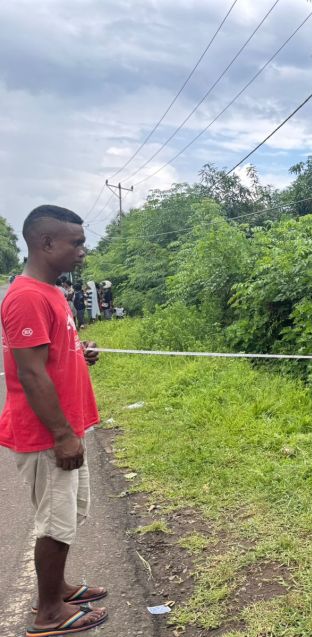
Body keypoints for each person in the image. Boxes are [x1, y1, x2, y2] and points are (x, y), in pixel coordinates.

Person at [0, 205, 108, 634]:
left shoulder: (53, 292)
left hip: (67, 425)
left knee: (69, 514)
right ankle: (48, 614)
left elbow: (51, 355)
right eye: (76, 243)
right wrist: (62, 435)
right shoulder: (25, 296)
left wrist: (84, 353)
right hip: (47, 433)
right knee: (55, 520)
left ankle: (57, 588)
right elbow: (28, 372)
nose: (83, 251)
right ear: (46, 243)